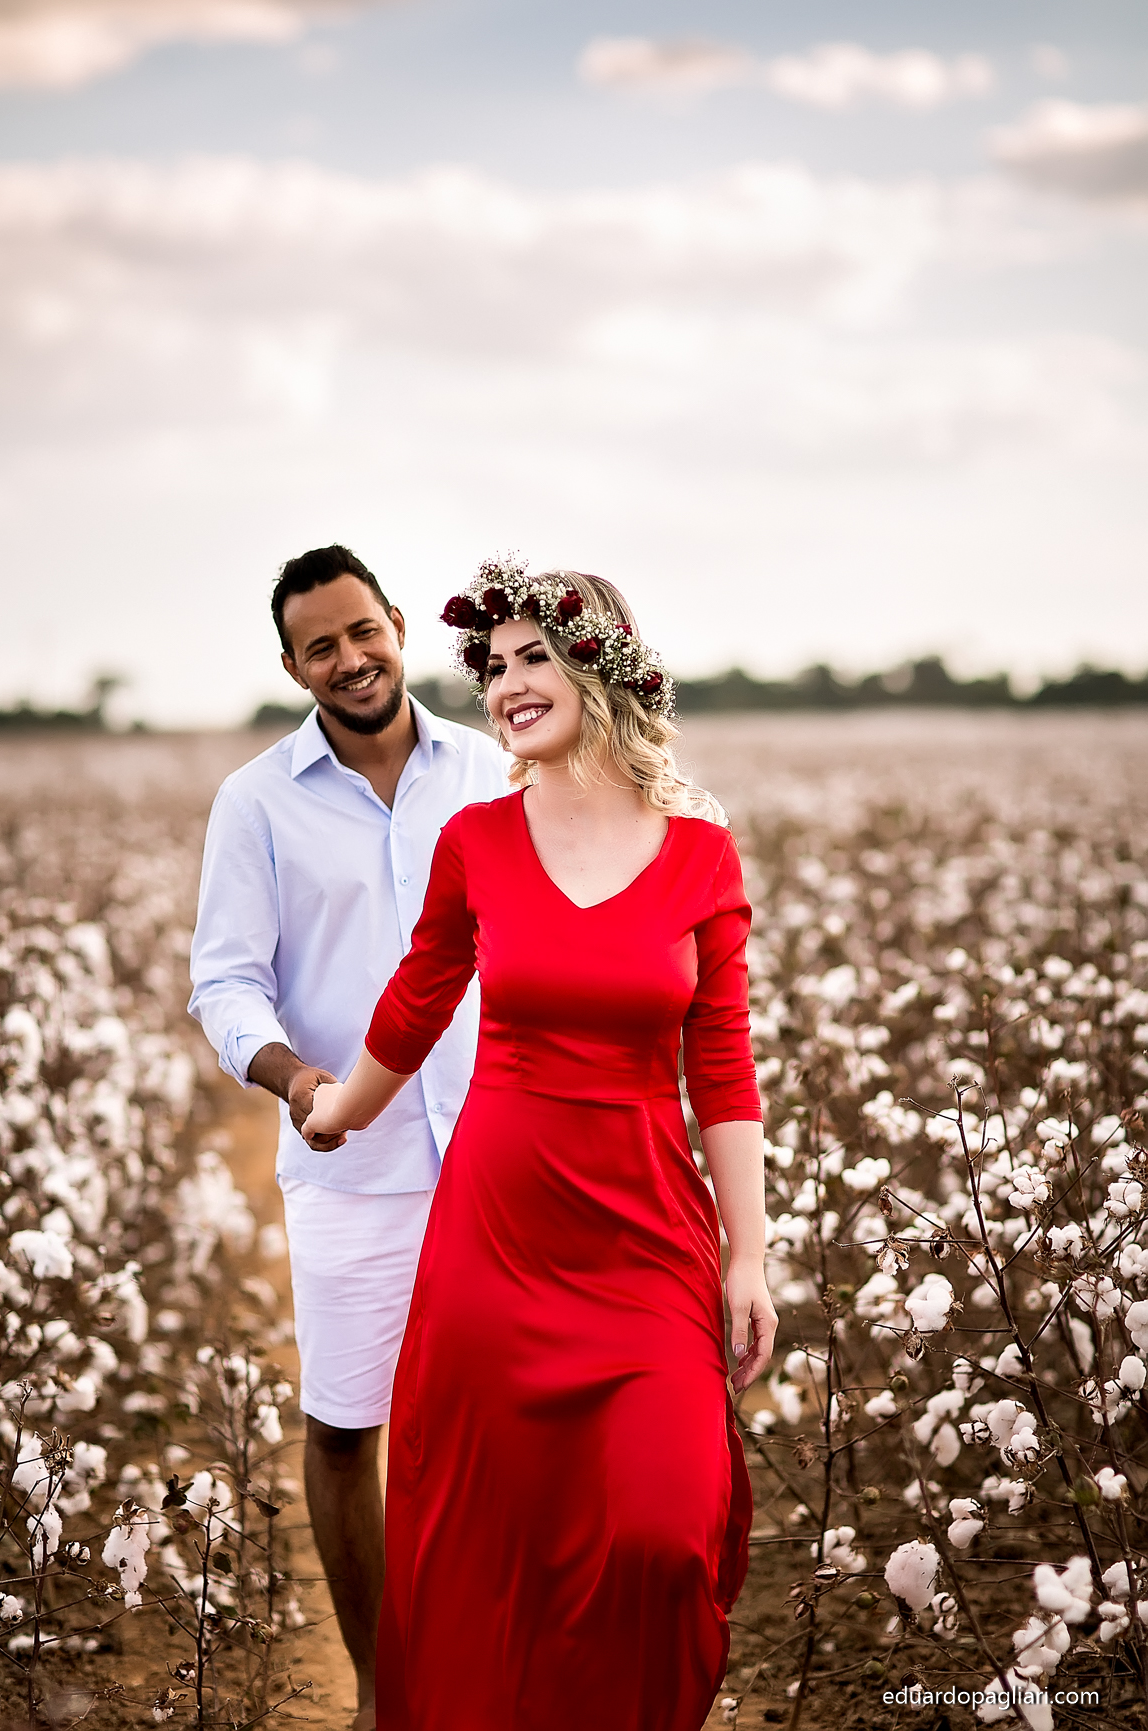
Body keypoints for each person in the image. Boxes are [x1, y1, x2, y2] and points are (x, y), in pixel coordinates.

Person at [301, 557, 778, 1731]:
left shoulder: (699, 855)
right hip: (497, 1238)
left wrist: (748, 1257)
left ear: (598, 668)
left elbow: (720, 1070)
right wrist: (340, 1108)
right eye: (494, 666)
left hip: (645, 1237)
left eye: (534, 658)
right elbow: (419, 997)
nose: (507, 685)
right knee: (481, 1541)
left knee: (663, 1537)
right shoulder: (476, 841)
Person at [188, 545, 508, 1730]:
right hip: (346, 1155)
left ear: (398, 629)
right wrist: (288, 1076)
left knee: (500, 1422)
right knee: (342, 1422)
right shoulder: (256, 800)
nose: (349, 658)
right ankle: (384, 1688)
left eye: (361, 631)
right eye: (319, 645)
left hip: (495, 1146)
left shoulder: (490, 769)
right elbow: (224, 982)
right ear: (292, 666)